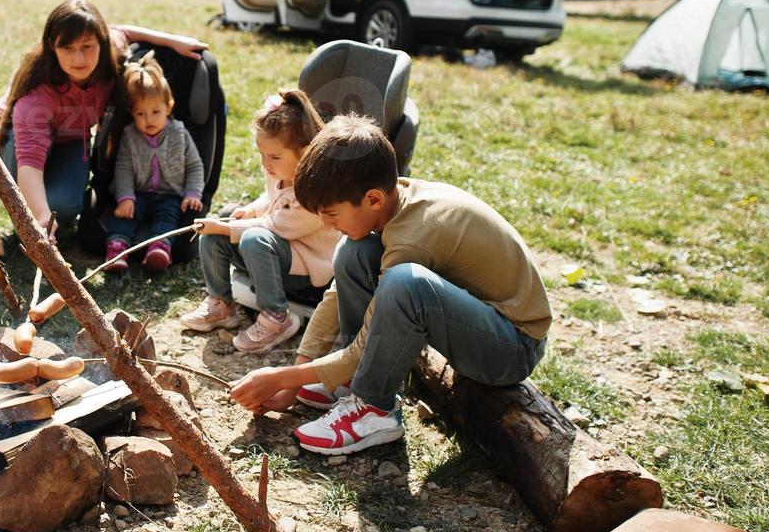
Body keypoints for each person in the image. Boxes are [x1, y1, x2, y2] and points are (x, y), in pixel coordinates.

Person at [227, 116, 550, 457]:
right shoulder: (396, 200)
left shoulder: (413, 238)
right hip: (483, 322)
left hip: (510, 349)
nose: (327, 224)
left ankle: (374, 408)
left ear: (373, 199)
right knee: (353, 252)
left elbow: (370, 337)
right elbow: (337, 295)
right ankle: (354, 383)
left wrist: (282, 379)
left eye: (333, 214)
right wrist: (299, 370)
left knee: (404, 283)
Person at [0, 0, 207, 232]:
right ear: (52, 46)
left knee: (66, 208)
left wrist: (174, 41)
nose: (78, 59)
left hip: (68, 137)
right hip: (9, 137)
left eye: (86, 46)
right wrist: (41, 218)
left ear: (100, 42)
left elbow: (124, 31)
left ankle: (46, 199)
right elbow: (30, 163)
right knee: (36, 209)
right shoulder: (36, 97)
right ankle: (30, 205)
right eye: (67, 48)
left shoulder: (109, 53)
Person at [180, 90, 339, 354]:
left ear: (304, 152)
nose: (266, 164)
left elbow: (280, 225)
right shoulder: (282, 172)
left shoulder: (315, 191)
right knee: (226, 217)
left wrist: (227, 228)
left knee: (251, 237)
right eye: (262, 155)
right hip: (277, 255)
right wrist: (248, 211)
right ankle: (221, 303)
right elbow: (271, 198)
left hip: (307, 271)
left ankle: (277, 317)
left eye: (275, 157)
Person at [100, 54, 205, 273]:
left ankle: (159, 247)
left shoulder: (180, 134)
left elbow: (195, 166)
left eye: (156, 112)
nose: (149, 119)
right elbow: (124, 169)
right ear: (132, 114)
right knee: (127, 214)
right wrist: (125, 197)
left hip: (171, 194)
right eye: (141, 113)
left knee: (168, 215)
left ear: (168, 107)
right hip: (139, 193)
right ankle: (117, 249)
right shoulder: (130, 136)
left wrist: (192, 193)